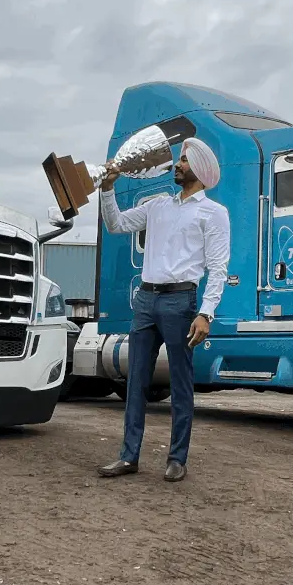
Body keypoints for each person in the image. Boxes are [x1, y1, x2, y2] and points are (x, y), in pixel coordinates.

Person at [96, 136, 231, 482]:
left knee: (181, 382)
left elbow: (218, 268)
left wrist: (206, 313)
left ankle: (177, 459)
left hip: (180, 301)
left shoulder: (214, 213)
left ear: (199, 168)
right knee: (136, 381)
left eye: (184, 160)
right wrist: (108, 190)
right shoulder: (157, 206)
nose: (177, 164)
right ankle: (128, 457)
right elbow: (116, 224)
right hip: (146, 299)